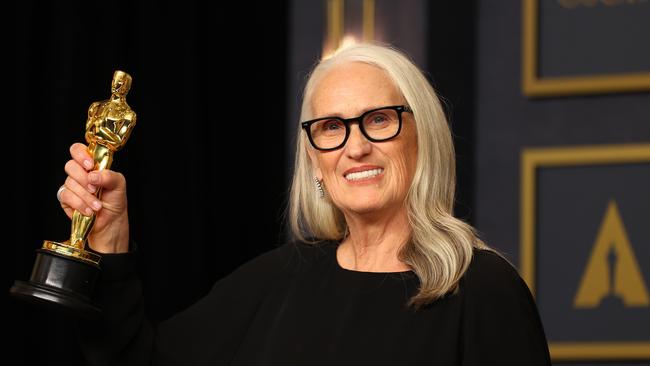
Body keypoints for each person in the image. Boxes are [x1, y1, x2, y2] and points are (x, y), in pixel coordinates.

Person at [57, 43, 551, 365]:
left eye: (378, 119)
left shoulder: (482, 291)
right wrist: (110, 242)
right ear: (315, 160)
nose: (355, 147)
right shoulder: (278, 278)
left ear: (422, 138)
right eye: (332, 127)